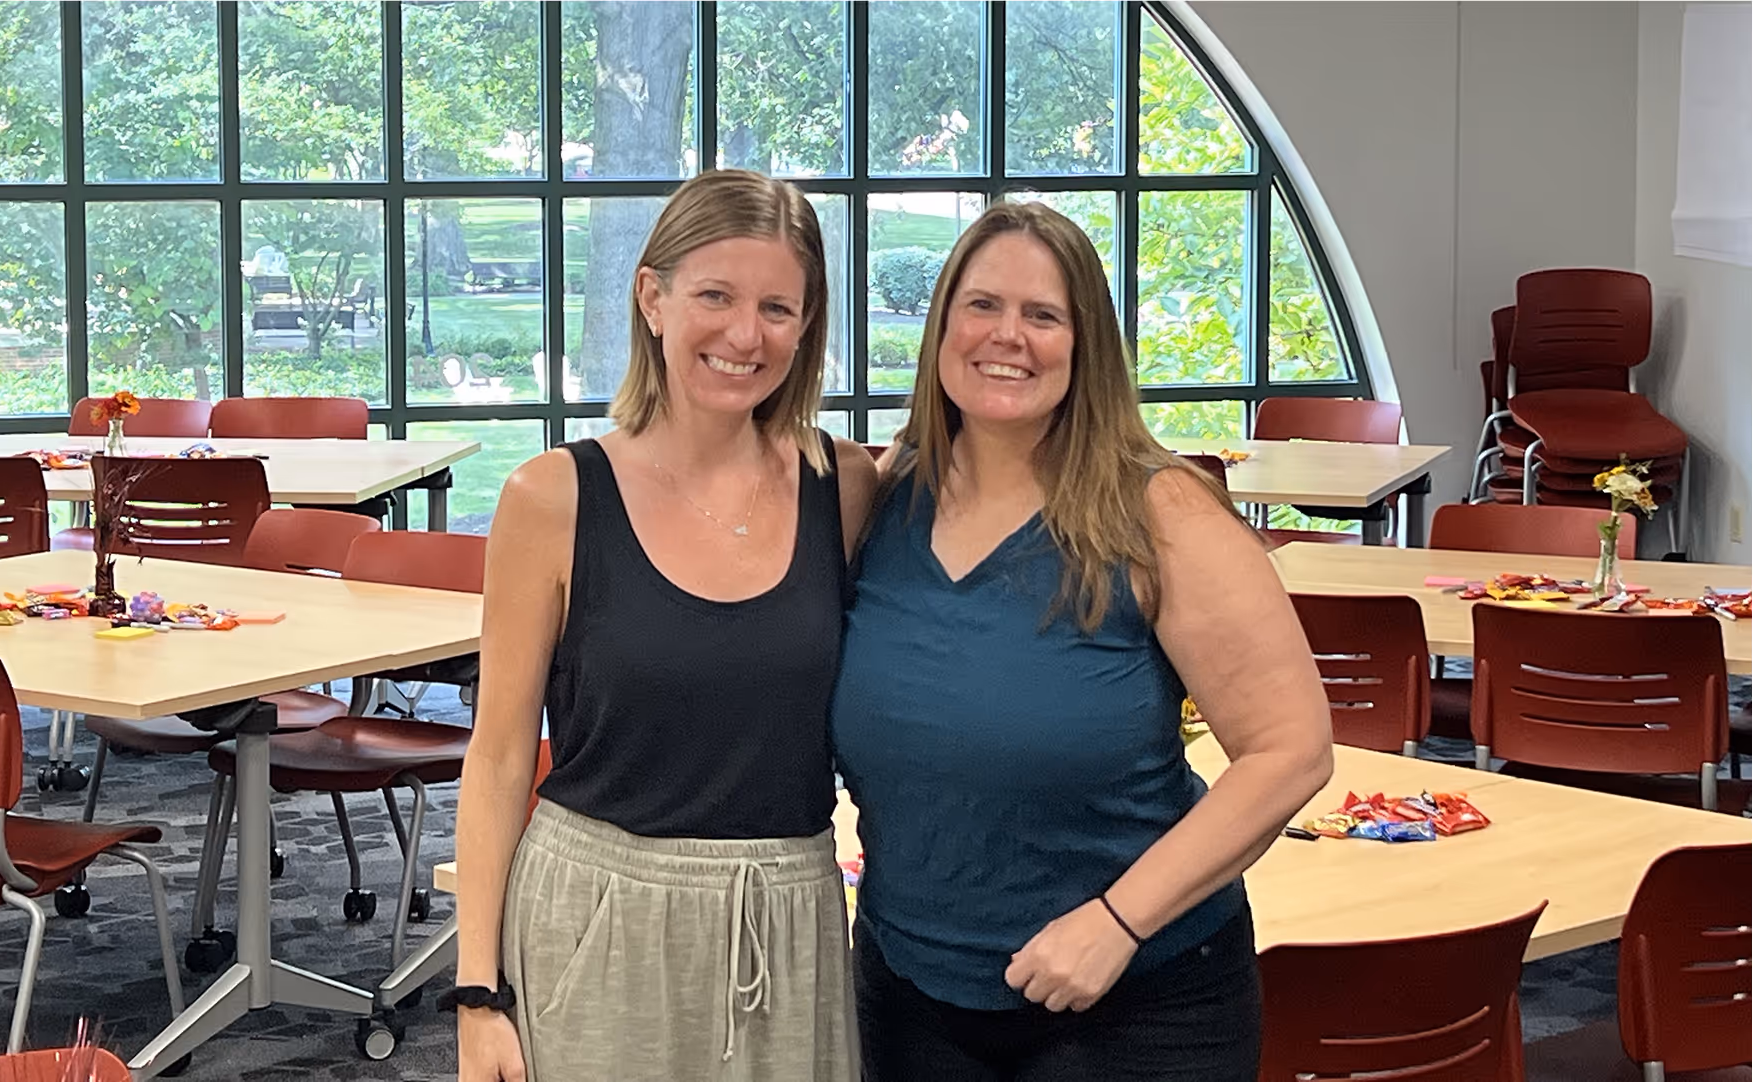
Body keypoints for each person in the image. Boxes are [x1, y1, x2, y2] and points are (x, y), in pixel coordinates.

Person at [830, 201, 1335, 1081]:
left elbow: (1290, 751)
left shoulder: (1161, 512)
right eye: (982, 305)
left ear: (1086, 342)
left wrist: (1120, 920)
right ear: (942, 323)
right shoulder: (883, 499)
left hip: (1134, 1003)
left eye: (1044, 315)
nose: (1007, 336)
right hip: (910, 991)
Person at [452, 168, 878, 1082]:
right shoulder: (554, 496)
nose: (744, 334)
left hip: (790, 916)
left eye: (777, 307)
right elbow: (494, 757)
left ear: (807, 326)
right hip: (598, 912)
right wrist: (477, 996)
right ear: (653, 297)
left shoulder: (842, 488)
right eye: (715, 296)